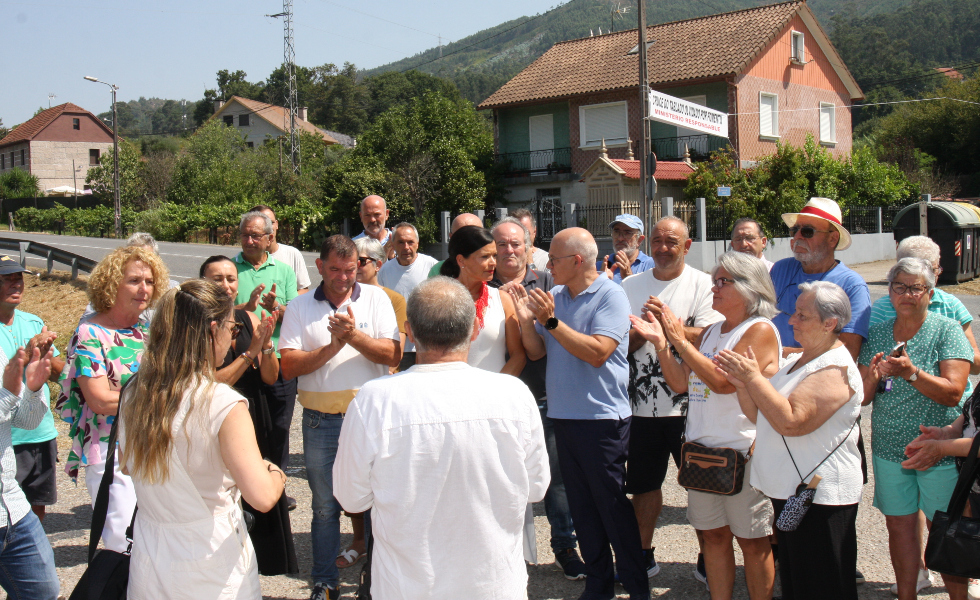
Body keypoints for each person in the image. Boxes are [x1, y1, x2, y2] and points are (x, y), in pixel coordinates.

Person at [334, 276, 550, 599]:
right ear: (475, 329)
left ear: (409, 332)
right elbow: (536, 486)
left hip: (405, 587)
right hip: (494, 585)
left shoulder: (374, 400)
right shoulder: (515, 395)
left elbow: (351, 497)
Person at [119, 280, 286, 599]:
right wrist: (274, 472)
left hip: (150, 553)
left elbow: (127, 465)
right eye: (232, 329)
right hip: (211, 564)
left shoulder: (136, 391)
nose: (232, 337)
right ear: (213, 330)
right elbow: (263, 497)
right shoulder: (223, 403)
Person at [509, 227, 650, 600]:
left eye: (553, 259)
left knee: (612, 509)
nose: (547, 265)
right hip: (565, 418)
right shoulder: (555, 296)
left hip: (602, 421)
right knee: (584, 511)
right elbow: (537, 353)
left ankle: (637, 586)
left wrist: (553, 323)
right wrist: (527, 321)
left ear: (575, 261)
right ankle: (598, 584)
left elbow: (598, 352)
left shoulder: (612, 296)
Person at [631, 250, 780, 600]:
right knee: (713, 536)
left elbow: (723, 382)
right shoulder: (713, 331)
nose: (714, 288)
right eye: (714, 281)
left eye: (723, 282)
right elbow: (682, 383)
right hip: (703, 452)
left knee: (753, 542)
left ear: (749, 287)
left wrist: (680, 339)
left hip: (744, 454)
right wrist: (662, 344)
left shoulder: (758, 330)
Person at [715, 281, 863, 600]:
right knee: (798, 584)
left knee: (824, 586)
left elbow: (790, 421)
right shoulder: (800, 360)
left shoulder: (835, 368)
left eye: (801, 315)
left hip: (822, 498)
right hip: (794, 493)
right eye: (795, 313)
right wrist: (743, 384)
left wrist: (754, 378)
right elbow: (760, 415)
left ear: (830, 323)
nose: (792, 320)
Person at [279, 235, 401, 600]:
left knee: (380, 502)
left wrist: (352, 337)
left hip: (370, 419)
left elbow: (393, 355)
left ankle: (376, 581)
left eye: (350, 270)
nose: (344, 277)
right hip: (321, 420)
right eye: (335, 269)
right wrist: (332, 347)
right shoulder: (300, 306)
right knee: (324, 507)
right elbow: (288, 366)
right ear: (319, 266)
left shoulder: (378, 299)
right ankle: (324, 582)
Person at [870, 235, 980, 595]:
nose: (906, 295)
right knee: (899, 529)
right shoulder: (877, 334)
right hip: (890, 448)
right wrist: (872, 376)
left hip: (938, 447)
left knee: (945, 529)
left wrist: (910, 373)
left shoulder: (946, 330)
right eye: (898, 287)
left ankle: (958, 596)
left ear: (930, 292)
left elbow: (953, 392)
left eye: (915, 288)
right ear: (889, 291)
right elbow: (865, 397)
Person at [620, 216, 722, 582]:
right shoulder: (630, 285)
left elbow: (712, 336)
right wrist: (641, 330)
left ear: (687, 246)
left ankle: (708, 555)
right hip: (640, 408)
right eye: (658, 241)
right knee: (643, 487)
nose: (663, 248)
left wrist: (668, 327)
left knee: (700, 486)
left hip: (693, 407)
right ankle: (642, 554)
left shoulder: (705, 285)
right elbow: (621, 344)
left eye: (672, 242)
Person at [492, 217, 587, 579]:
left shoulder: (548, 284)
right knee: (500, 478)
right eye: (502, 244)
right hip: (495, 401)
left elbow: (548, 347)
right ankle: (505, 552)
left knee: (555, 479)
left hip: (543, 397)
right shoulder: (478, 287)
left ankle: (565, 545)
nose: (509, 250)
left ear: (529, 247)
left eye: (516, 243)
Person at [57, 246, 168, 553]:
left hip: (150, 445)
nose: (144, 288)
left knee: (155, 543)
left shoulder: (148, 331)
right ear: (111, 284)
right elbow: (99, 400)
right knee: (123, 545)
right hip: (110, 452)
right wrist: (161, 395)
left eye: (149, 281)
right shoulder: (89, 332)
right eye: (134, 281)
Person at [200, 255, 298, 576]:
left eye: (231, 278)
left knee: (255, 491)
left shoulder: (247, 317)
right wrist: (249, 353)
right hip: (217, 417)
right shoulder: (199, 326)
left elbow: (270, 376)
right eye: (217, 279)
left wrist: (266, 346)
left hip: (253, 413)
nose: (226, 285)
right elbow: (211, 382)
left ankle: (258, 567)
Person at [234, 210, 298, 482]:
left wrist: (277, 308)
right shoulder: (229, 271)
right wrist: (244, 308)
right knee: (244, 426)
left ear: (270, 237)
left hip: (278, 361)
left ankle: (277, 485)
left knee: (279, 427)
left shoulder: (283, 271)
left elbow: (295, 318)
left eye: (255, 235)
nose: (249, 240)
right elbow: (213, 313)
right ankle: (247, 486)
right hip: (241, 362)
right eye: (244, 235)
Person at [0, 255, 65, 523]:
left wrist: (50, 359)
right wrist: (26, 356)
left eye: (19, 278)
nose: (16, 285)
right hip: (9, 437)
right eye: (7, 280)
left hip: (40, 431)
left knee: (37, 506)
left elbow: (58, 370)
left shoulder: (34, 323)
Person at [770, 197, 870, 359]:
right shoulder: (780, 269)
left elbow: (848, 351)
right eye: (795, 230)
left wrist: (786, 354)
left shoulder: (851, 285)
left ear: (832, 239)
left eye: (808, 231)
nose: (798, 236)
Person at [0, 344, 58, 599]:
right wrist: (9, 395)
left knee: (42, 592)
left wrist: (32, 390)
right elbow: (7, 400)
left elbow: (25, 421)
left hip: (13, 509)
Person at [441, 225, 525, 376]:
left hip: (494, 395)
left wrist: (494, 390)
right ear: (461, 260)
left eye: (494, 256)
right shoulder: (440, 299)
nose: (493, 262)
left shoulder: (503, 300)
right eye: (485, 257)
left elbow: (518, 356)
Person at [378, 223, 438, 371]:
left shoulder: (432, 266)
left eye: (410, 242)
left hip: (427, 346)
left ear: (417, 244)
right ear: (392, 244)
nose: (406, 247)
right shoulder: (384, 271)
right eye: (401, 242)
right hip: (399, 346)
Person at [251, 204, 312, 295]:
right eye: (263, 223)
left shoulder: (292, 254)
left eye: (270, 222)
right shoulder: (245, 259)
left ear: (276, 224)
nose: (268, 227)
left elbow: (304, 290)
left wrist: (282, 303)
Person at [598, 214, 655, 283]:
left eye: (627, 233)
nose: (620, 238)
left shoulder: (652, 267)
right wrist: (599, 282)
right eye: (616, 232)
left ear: (639, 240)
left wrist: (628, 278)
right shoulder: (599, 267)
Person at [427, 213, 485, 278]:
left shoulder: (493, 266)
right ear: (451, 237)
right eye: (461, 235)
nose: (467, 240)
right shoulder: (439, 270)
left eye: (473, 235)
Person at [353, 195, 394, 259]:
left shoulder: (399, 243)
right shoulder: (353, 246)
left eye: (377, 214)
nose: (372, 220)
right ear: (361, 216)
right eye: (367, 215)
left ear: (387, 214)